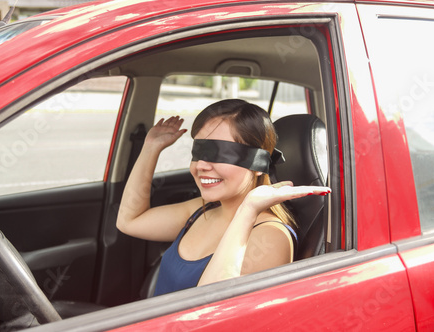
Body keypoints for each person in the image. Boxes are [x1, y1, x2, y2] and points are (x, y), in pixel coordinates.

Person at [116, 99, 331, 296]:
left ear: (259, 163)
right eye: (198, 152)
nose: (201, 165)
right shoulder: (201, 211)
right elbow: (129, 221)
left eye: (221, 152)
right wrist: (150, 148)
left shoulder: (270, 237)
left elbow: (210, 313)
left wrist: (247, 211)